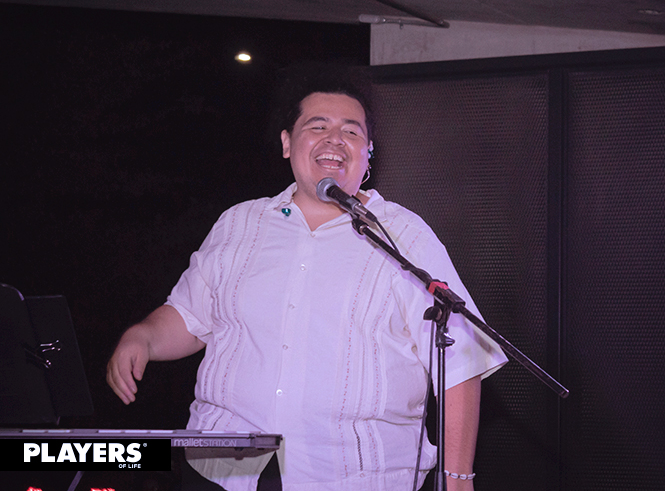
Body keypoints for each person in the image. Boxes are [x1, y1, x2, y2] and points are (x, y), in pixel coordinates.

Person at [107, 66, 507, 491]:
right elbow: (190, 316)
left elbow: (460, 361)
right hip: (222, 468)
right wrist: (143, 336)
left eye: (351, 132)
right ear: (287, 143)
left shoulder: (404, 237)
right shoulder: (239, 223)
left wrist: (457, 477)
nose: (334, 139)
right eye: (318, 126)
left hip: (351, 479)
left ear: (368, 152)